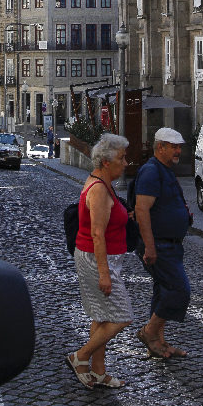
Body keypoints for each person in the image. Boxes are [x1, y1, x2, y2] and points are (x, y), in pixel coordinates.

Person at [66, 133, 133, 389]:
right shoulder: (99, 190)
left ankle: (98, 370)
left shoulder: (102, 184)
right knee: (122, 316)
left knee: (102, 316)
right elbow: (97, 233)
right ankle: (80, 356)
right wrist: (104, 274)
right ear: (106, 162)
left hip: (99, 258)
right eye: (121, 158)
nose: (125, 163)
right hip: (96, 260)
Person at [133, 127, 192, 359]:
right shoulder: (151, 172)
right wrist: (149, 247)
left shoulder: (164, 169)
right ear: (160, 147)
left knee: (163, 290)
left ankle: (158, 342)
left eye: (179, 146)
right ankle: (149, 332)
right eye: (174, 147)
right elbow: (141, 209)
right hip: (159, 244)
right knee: (179, 290)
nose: (178, 151)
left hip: (171, 244)